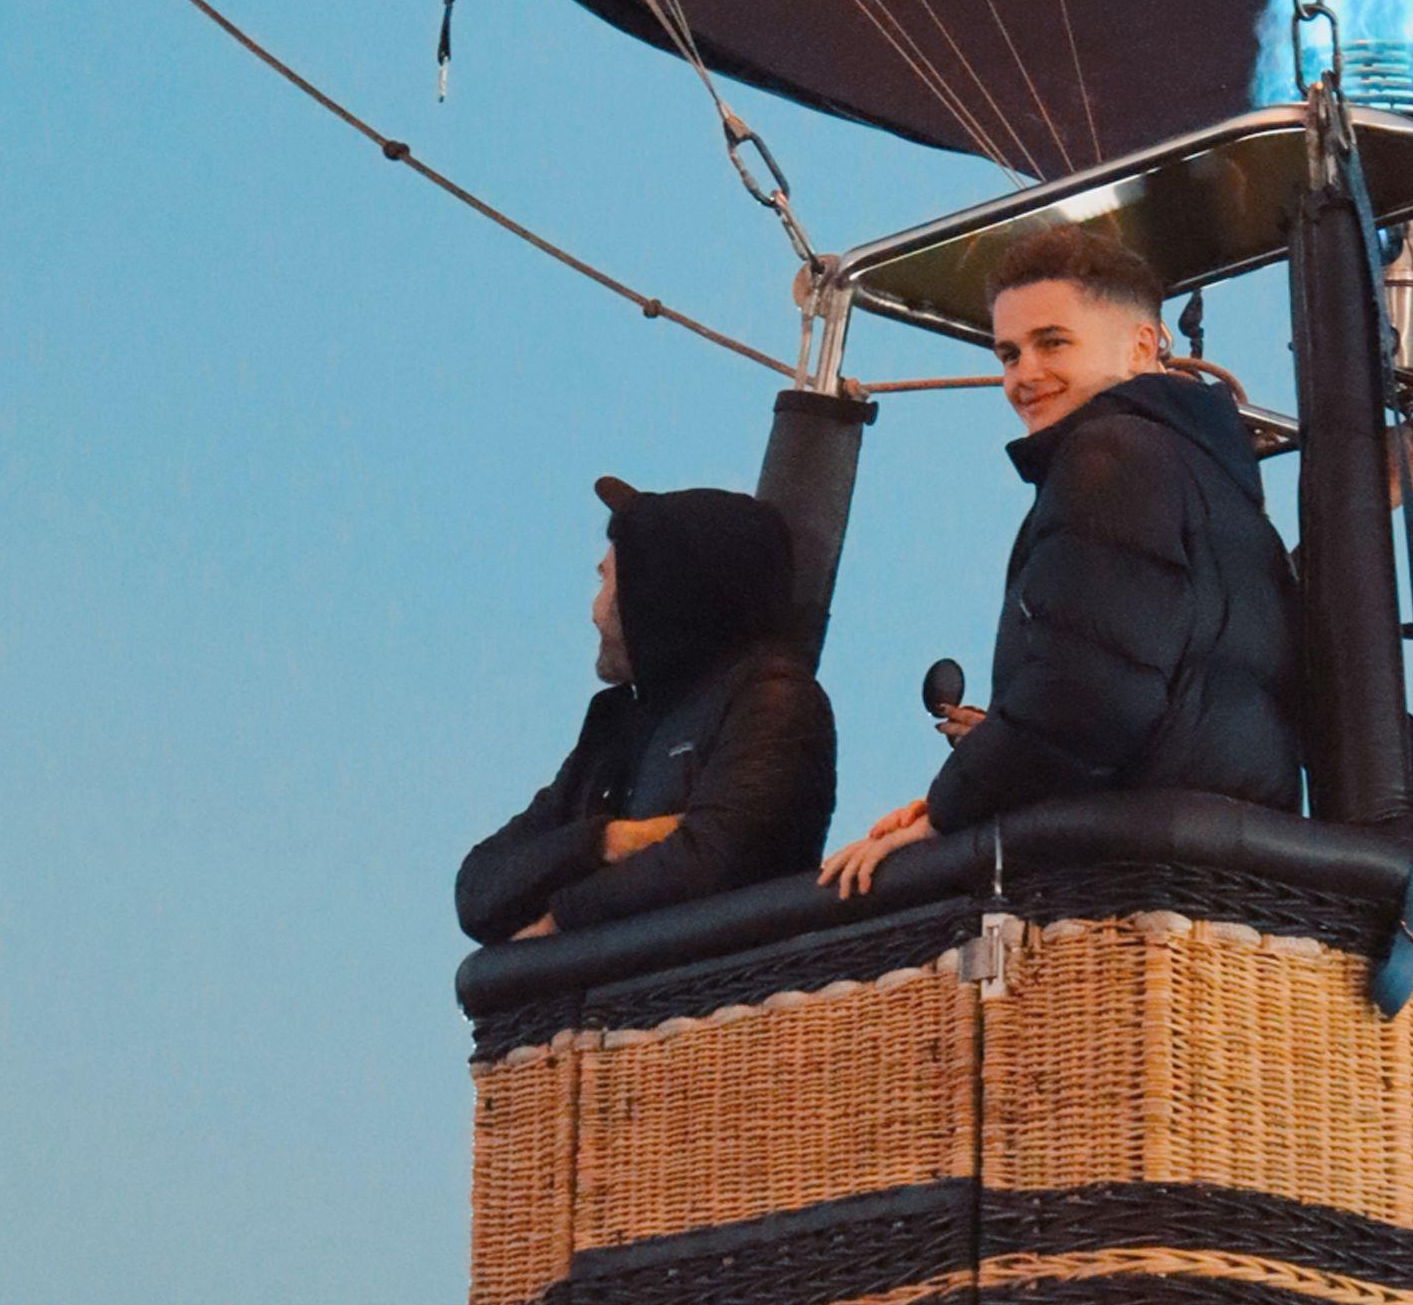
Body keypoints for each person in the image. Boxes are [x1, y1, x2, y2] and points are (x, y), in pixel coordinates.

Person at [821, 222, 1299, 896]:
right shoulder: (1208, 473)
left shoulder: (1110, 458)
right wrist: (982, 780)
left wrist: (950, 812)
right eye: (1009, 354)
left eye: (1052, 343)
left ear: (1141, 346)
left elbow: (1090, 697)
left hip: (1129, 881)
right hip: (1222, 870)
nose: (1024, 375)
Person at [456, 477, 836, 946]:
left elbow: (715, 862)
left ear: (656, 592)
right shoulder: (617, 732)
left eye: (605, 581)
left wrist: (562, 921)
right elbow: (477, 889)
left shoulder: (773, 701)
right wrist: (607, 841)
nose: (595, 610)